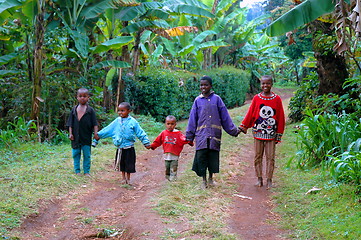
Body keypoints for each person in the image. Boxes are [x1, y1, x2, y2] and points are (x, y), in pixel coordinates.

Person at [186, 75, 241, 189]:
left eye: (206, 85)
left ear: (211, 86)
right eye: (201, 85)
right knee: (201, 158)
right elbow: (192, 119)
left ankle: (211, 178)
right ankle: (204, 181)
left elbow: (225, 117)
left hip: (214, 135)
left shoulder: (217, 99)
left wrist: (234, 131)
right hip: (201, 136)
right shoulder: (197, 101)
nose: (203, 87)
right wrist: (189, 136)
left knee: (212, 157)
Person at [239, 75, 285, 189]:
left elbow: (280, 117)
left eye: (268, 83)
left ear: (272, 84)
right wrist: (243, 126)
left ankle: (269, 179)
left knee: (270, 157)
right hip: (258, 133)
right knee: (258, 156)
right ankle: (259, 179)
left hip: (271, 134)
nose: (265, 86)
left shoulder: (277, 99)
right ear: (261, 84)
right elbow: (251, 113)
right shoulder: (256, 98)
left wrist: (279, 134)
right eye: (263, 83)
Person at [94, 102, 151, 185]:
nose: (120, 112)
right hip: (120, 147)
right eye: (119, 111)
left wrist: (146, 142)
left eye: (123, 110)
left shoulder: (133, 122)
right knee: (122, 164)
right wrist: (98, 135)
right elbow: (108, 129)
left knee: (129, 164)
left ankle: (128, 179)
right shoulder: (117, 121)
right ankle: (123, 178)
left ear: (129, 111)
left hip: (129, 147)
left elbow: (140, 132)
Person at [67, 88, 99, 176]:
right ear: (77, 97)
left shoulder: (90, 110)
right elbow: (70, 123)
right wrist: (70, 133)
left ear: (88, 97)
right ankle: (77, 171)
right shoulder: (74, 110)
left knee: (87, 155)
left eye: (84, 96)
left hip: (86, 137)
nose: (82, 98)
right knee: (76, 154)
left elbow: (95, 123)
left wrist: (95, 134)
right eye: (80, 96)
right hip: (75, 138)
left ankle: (86, 172)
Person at [150, 115, 193, 181]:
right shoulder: (163, 133)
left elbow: (184, 139)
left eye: (172, 124)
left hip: (175, 156)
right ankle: (168, 179)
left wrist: (190, 142)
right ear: (165, 124)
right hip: (166, 155)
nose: (170, 126)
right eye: (168, 124)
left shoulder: (178, 133)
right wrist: (152, 146)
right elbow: (158, 141)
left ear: (175, 124)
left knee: (173, 168)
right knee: (167, 168)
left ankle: (173, 180)